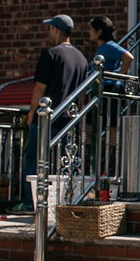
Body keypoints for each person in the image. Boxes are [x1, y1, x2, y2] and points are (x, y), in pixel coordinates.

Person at [13, 14, 90, 211]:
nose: (50, 32)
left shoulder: (51, 54)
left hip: (48, 117)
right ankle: (63, 202)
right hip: (69, 119)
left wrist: (32, 112)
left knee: (35, 159)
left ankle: (32, 203)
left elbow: (40, 87)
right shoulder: (82, 59)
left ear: (56, 30)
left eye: (51, 28)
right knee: (63, 162)